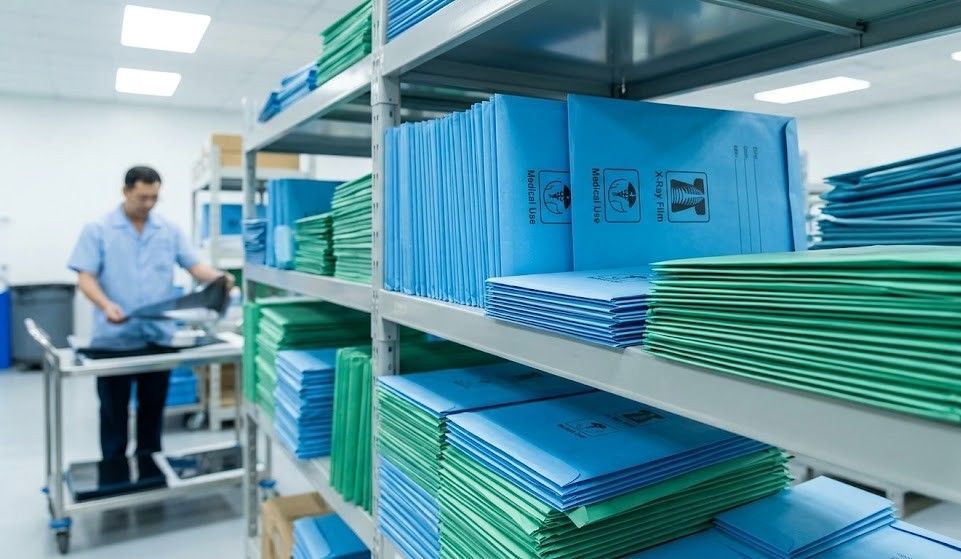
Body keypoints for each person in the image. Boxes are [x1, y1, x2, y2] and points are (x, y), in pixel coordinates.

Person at [68, 165, 234, 461]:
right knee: (114, 413)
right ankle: (115, 471)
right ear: (126, 191)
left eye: (154, 198)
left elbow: (194, 266)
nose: (147, 204)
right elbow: (85, 277)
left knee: (152, 409)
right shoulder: (98, 230)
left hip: (158, 337)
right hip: (114, 339)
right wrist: (106, 305)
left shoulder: (168, 231)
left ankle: (149, 468)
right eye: (142, 197)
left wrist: (218, 277)